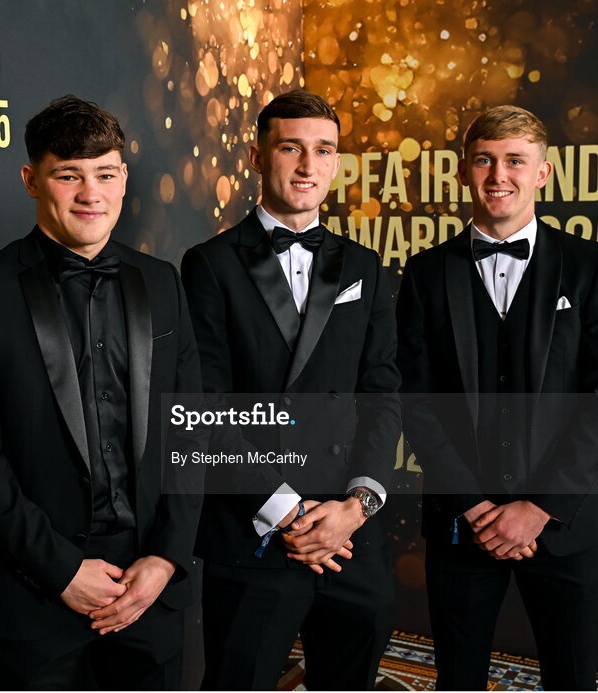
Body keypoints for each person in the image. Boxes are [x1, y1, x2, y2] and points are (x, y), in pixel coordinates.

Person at [0, 95, 202, 690]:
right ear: (32, 180)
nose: (91, 194)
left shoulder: (162, 282)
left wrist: (165, 559)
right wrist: (61, 571)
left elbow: (191, 430)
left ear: (124, 179)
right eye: (69, 175)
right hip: (34, 599)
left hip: (149, 593)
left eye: (105, 174)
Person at [396, 105, 598, 690]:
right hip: (461, 523)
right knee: (459, 679)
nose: (499, 175)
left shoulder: (589, 264)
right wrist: (474, 506)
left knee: (572, 679)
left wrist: (539, 507)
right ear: (464, 171)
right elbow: (416, 402)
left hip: (562, 522)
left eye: (515, 161)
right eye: (484, 160)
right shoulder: (423, 273)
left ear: (543, 174)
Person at [181, 89, 401, 690]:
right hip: (256, 530)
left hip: (350, 536)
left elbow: (381, 393)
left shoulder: (365, 265)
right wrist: (289, 511)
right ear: (257, 156)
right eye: (291, 148)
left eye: (323, 150)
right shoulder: (210, 264)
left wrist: (358, 506)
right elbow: (206, 410)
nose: (308, 165)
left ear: (336, 162)